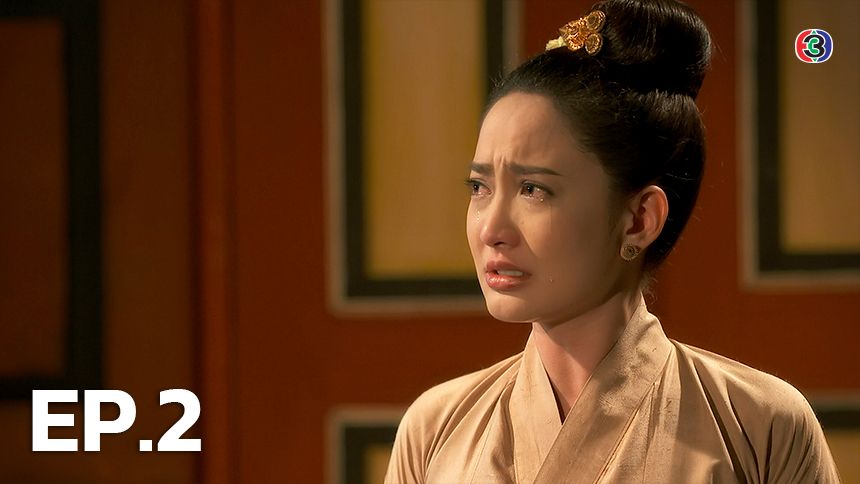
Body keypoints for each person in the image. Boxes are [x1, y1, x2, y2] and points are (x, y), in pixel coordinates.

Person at [384, 0, 841, 482]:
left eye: (533, 189)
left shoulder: (759, 426)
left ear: (639, 220)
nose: (490, 229)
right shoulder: (436, 429)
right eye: (480, 187)